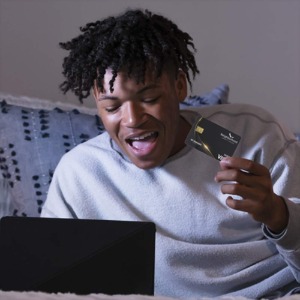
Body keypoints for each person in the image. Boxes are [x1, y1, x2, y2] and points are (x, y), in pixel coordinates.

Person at [41, 9, 300, 299]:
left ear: (179, 86)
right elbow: (47, 285)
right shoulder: (85, 171)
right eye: (113, 107)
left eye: (149, 99)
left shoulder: (230, 137)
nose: (133, 119)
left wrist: (278, 214)